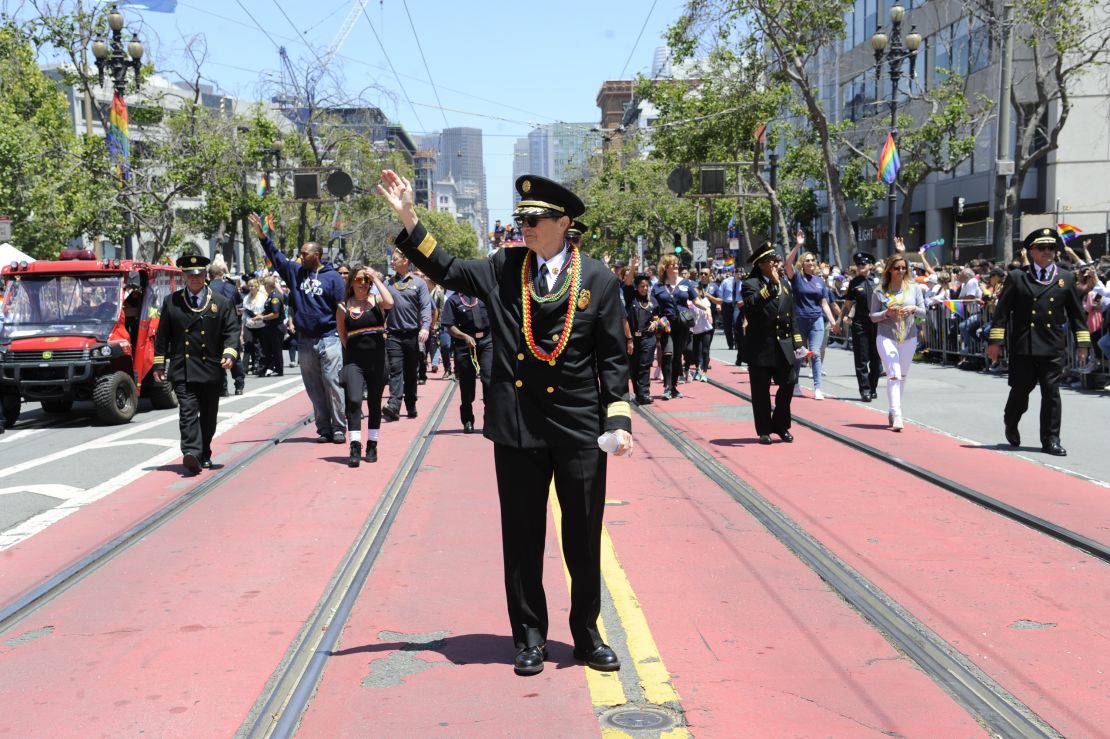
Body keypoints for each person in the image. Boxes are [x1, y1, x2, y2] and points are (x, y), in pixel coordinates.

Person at [378, 170, 632, 677]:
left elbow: (612, 359)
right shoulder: (504, 267)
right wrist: (409, 214)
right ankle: (529, 638)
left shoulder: (599, 279)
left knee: (582, 536)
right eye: (522, 220)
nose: (527, 228)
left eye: (536, 220)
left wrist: (618, 418)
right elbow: (446, 268)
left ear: (564, 223)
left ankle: (586, 634)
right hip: (517, 425)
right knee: (521, 538)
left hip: (579, 426)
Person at [987, 228, 1092, 456]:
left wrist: (1083, 343)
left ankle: (1051, 439)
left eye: (1051, 248)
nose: (1047, 252)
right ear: (1031, 251)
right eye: (1042, 248)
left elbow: (1076, 314)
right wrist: (995, 342)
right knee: (1020, 391)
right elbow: (1002, 313)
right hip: (1024, 345)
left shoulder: (1064, 278)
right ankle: (1011, 421)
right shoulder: (1017, 277)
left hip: (1052, 345)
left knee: (1051, 392)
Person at [250, 213, 347, 444]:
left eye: (305, 254)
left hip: (329, 338)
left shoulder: (333, 278)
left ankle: (339, 427)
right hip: (305, 340)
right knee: (314, 388)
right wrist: (263, 236)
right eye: (300, 254)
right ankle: (323, 428)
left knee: (332, 383)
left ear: (317, 255)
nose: (300, 257)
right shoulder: (295, 272)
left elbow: (342, 308)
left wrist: (345, 337)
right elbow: (277, 257)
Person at [152, 254, 240, 474]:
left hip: (211, 368)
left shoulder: (220, 301)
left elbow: (232, 331)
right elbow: (162, 337)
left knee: (209, 416)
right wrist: (159, 365)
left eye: (199, 274)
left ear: (205, 275)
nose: (195, 279)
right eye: (191, 275)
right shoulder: (171, 302)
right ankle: (191, 452)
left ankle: (205, 451)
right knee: (188, 411)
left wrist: (229, 353)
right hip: (183, 369)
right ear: (183, 276)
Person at [741, 242, 802, 444]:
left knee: (789, 383)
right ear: (760, 265)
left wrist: (798, 343)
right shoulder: (750, 284)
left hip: (783, 346)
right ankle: (764, 430)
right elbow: (751, 306)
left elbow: (791, 315)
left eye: (776, 260)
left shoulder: (785, 284)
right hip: (760, 347)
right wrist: (771, 286)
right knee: (760, 391)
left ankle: (781, 424)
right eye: (771, 261)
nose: (775, 264)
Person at [337, 263, 393, 467]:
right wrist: (355, 351)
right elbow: (343, 335)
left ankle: (372, 443)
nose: (363, 283)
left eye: (366, 280)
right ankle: (354, 444)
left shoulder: (376, 301)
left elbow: (390, 302)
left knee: (375, 403)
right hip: (354, 362)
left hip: (378, 360)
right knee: (353, 401)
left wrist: (375, 277)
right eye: (359, 279)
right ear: (351, 282)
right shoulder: (343, 306)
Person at [868, 254, 926, 431]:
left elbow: (924, 312)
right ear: (889, 270)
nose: (901, 271)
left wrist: (913, 309)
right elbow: (872, 316)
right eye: (897, 268)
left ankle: (893, 410)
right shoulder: (879, 291)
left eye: (903, 268)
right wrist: (886, 314)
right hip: (886, 336)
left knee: (902, 376)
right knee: (894, 373)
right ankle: (898, 413)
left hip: (908, 336)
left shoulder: (914, 288)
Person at [785, 230, 838, 400]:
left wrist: (833, 321)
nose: (810, 263)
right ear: (802, 263)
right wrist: (798, 245)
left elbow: (824, 303)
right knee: (800, 354)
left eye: (813, 260)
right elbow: (787, 264)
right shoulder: (797, 278)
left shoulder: (819, 281)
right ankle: (795, 384)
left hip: (816, 320)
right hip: (800, 320)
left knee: (815, 353)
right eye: (807, 260)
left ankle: (817, 388)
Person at [382, 248, 432, 421]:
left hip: (413, 335)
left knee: (411, 373)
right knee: (395, 370)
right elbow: (382, 308)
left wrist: (425, 327)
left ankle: (411, 403)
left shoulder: (419, 283)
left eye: (395, 259)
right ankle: (394, 405)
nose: (392, 262)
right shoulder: (388, 284)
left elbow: (426, 307)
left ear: (405, 261)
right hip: (394, 335)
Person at [441, 289, 492, 433]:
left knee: (488, 380)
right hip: (464, 344)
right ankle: (468, 419)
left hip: (486, 342)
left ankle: (489, 419)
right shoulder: (453, 300)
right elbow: (449, 326)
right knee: (467, 384)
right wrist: (464, 336)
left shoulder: (484, 296)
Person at [652, 255, 698, 399]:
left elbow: (696, 300)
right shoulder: (658, 286)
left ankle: (674, 387)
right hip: (667, 326)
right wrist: (655, 319)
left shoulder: (686, 283)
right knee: (668, 354)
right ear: (666, 268)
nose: (676, 266)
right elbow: (654, 307)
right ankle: (666, 387)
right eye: (673, 264)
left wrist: (707, 309)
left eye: (677, 264)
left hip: (682, 325)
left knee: (677, 356)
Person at [840, 251, 882, 401]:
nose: (860, 266)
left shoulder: (879, 280)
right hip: (860, 323)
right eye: (858, 264)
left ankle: (873, 387)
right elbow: (848, 304)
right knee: (861, 359)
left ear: (870, 265)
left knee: (876, 359)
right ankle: (865, 390)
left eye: (863, 263)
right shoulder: (854, 282)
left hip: (877, 322)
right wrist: (842, 319)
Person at [207, 257, 245, 396]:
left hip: (214, 328)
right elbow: (240, 308)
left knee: (218, 358)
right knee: (234, 356)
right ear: (221, 274)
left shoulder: (206, 289)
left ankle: (223, 388)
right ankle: (239, 386)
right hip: (231, 327)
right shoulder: (231, 287)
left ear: (209, 276)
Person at [626, 273, 662, 404]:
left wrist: (655, 323)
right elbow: (628, 282)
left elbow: (658, 316)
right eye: (642, 286)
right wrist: (633, 267)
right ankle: (638, 392)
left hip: (648, 338)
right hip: (633, 339)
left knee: (645, 366)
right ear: (637, 287)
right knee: (634, 367)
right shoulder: (631, 297)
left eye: (646, 286)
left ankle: (644, 393)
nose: (644, 289)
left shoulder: (653, 300)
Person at [258, 275, 285, 377]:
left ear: (268, 285)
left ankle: (279, 370)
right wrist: (260, 315)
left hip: (276, 326)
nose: (264, 286)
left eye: (265, 284)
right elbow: (267, 310)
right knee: (269, 349)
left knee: (276, 350)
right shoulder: (270, 295)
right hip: (270, 326)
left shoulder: (275, 297)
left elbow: (275, 314)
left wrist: (262, 318)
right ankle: (270, 368)